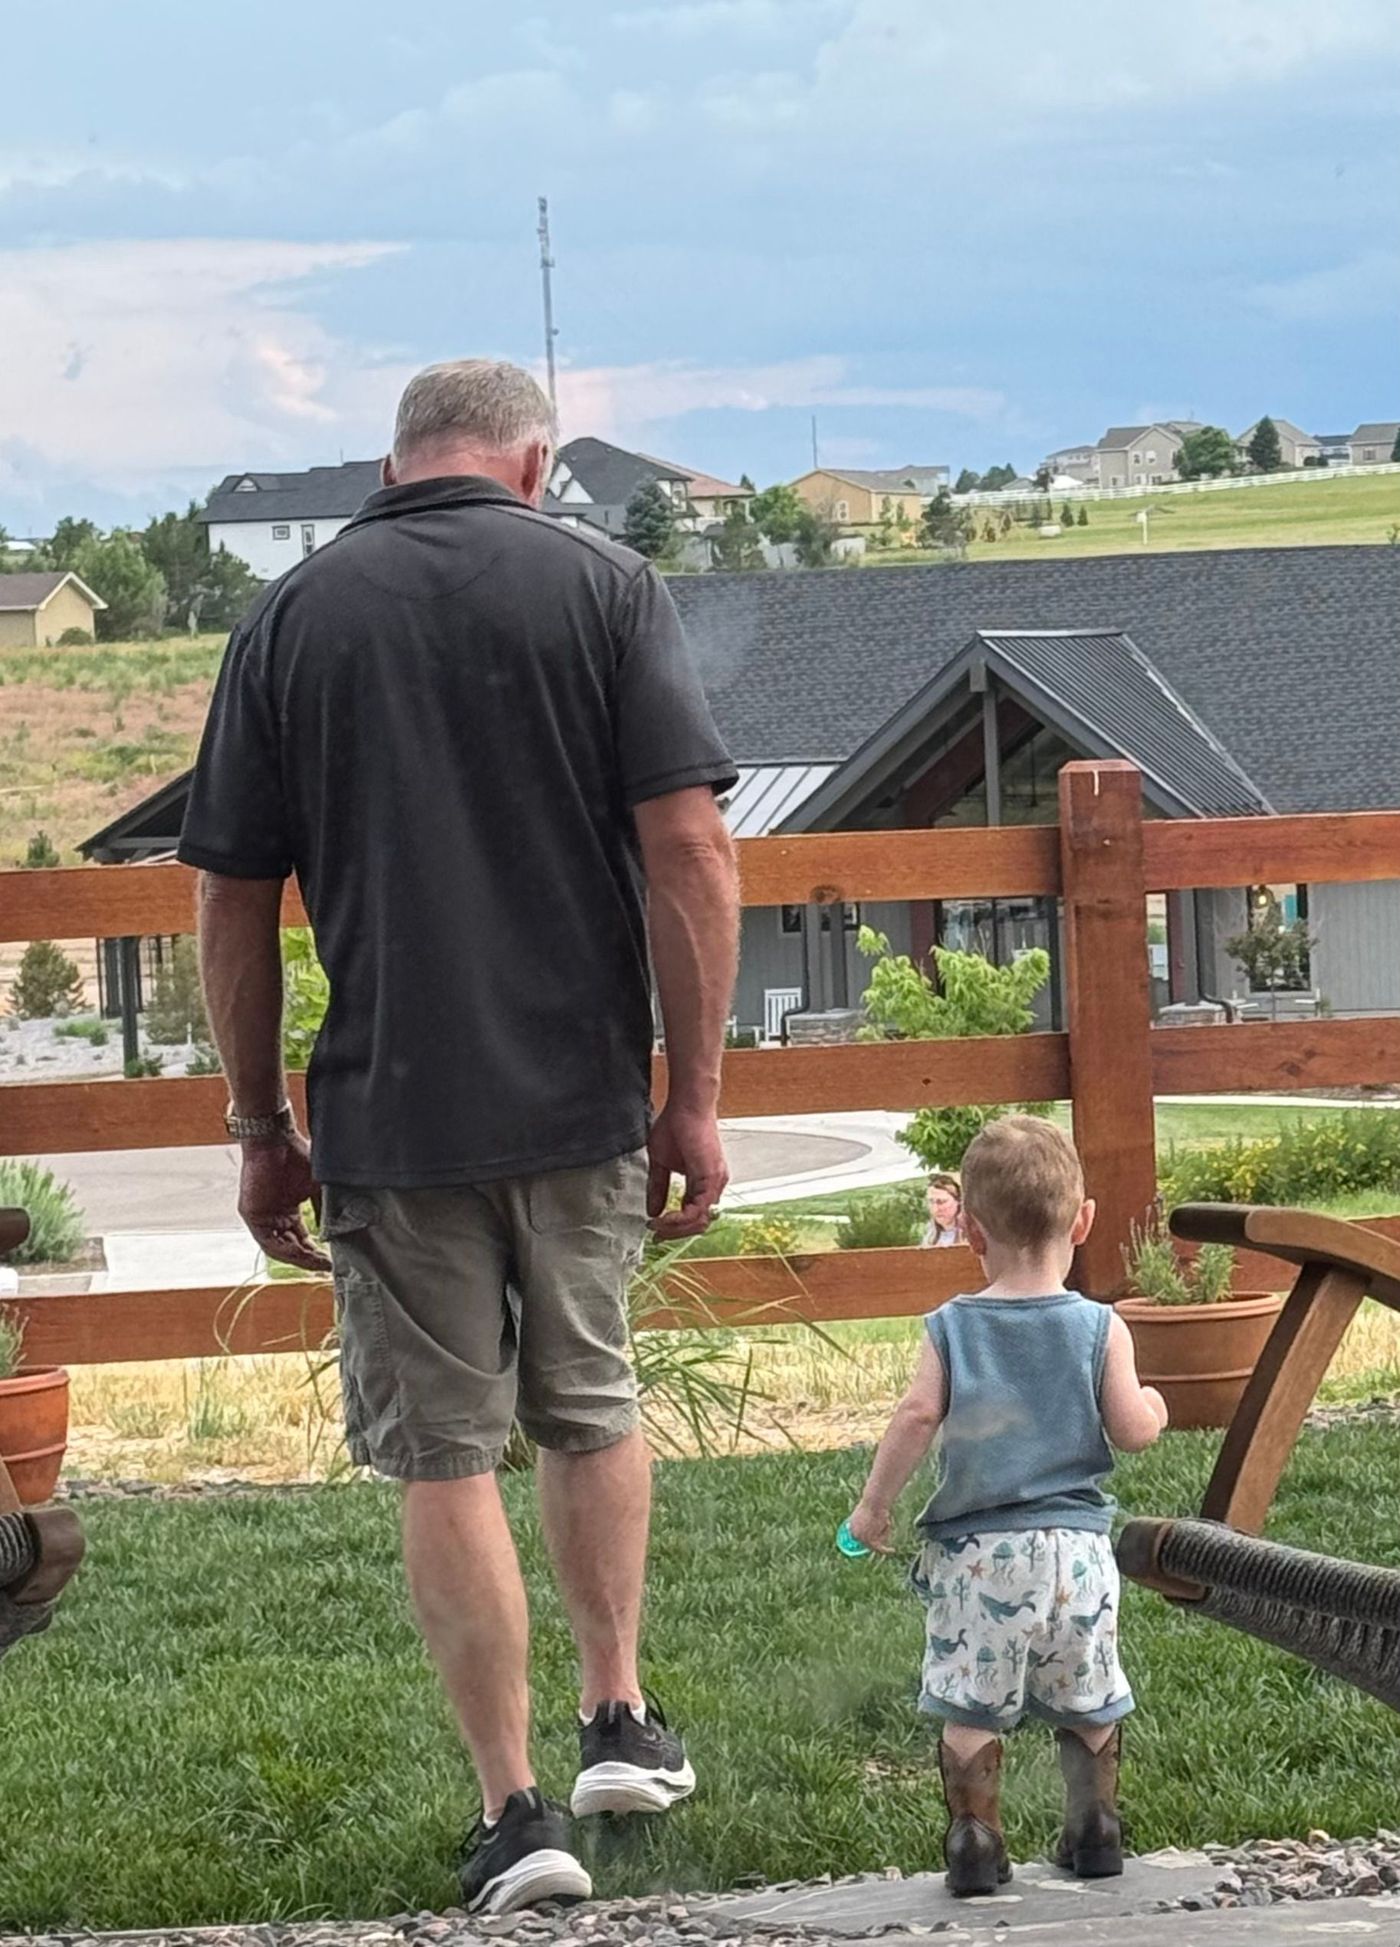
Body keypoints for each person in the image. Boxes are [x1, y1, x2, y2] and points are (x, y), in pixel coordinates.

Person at [179, 359, 741, 1915]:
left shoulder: (293, 619)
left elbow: (227, 891)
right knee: (590, 1398)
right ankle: (617, 1708)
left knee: (444, 1452)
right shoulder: (607, 586)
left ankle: (515, 1809)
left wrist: (255, 1122)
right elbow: (690, 845)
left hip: (391, 1107)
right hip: (579, 1102)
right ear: (530, 458)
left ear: (396, 461)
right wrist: (690, 1090)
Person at [844, 1116, 1167, 1898]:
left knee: (970, 1703)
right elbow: (1132, 1429)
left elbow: (917, 1416)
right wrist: (1154, 1403)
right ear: (1081, 1220)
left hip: (981, 1559)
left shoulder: (953, 1326)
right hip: (1079, 1556)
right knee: (1088, 1696)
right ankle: (1094, 1830)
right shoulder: (1100, 1325)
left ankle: (975, 1841)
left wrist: (873, 1507)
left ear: (971, 1230)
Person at [920, 1172, 963, 1248]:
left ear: (958, 1201)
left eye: (941, 1202)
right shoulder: (929, 1237)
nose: (935, 1208)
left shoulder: (972, 1236)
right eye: (931, 1202)